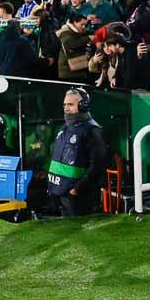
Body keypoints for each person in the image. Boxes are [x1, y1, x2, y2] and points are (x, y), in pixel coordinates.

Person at [45, 87, 109, 218]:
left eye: (70, 104)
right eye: (64, 104)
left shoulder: (92, 131)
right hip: (59, 192)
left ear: (83, 105)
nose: (66, 108)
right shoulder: (64, 128)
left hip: (79, 197)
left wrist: (77, 189)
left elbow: (98, 165)